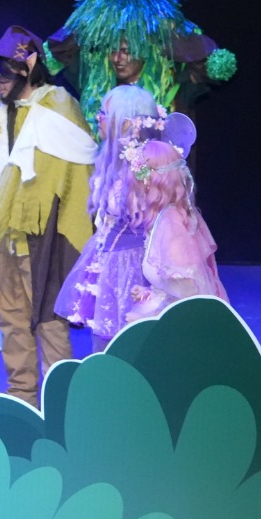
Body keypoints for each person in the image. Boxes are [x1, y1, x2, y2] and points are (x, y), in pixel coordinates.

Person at [0, 27, 97, 409]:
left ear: (29, 66)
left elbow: (83, 159)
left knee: (49, 319)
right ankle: (22, 396)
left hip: (44, 232)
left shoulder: (58, 105)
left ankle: (61, 401)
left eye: (4, 74)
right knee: (11, 318)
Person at [45, 0, 237, 136]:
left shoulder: (174, 81)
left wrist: (163, 28)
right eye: (112, 51)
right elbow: (58, 49)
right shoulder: (94, 77)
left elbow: (213, 65)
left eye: (126, 51)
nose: (117, 58)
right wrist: (92, 18)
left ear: (145, 50)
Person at [54, 84, 164, 347]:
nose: (97, 118)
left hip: (132, 266)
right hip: (107, 258)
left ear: (125, 123)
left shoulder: (145, 170)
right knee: (104, 340)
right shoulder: (110, 162)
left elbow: (158, 226)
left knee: (130, 340)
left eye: (104, 113)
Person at [118, 122, 227, 322]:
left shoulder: (171, 223)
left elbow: (190, 294)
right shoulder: (168, 217)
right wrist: (152, 293)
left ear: (150, 182)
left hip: (181, 327)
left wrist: (152, 315)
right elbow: (174, 286)